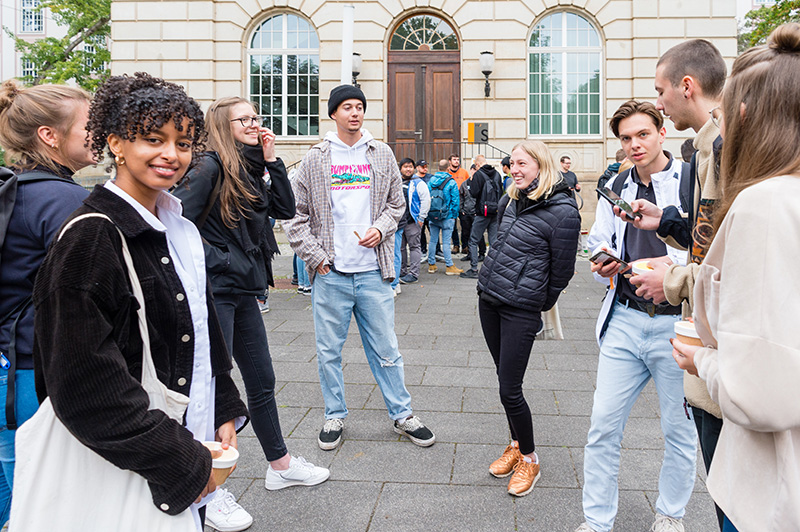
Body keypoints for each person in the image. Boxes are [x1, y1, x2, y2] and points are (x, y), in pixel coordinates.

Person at [25, 72, 249, 530]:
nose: (172, 155)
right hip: (128, 464)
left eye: (184, 143)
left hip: (182, 444)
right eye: (153, 139)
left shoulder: (178, 227)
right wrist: (179, 458)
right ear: (116, 144)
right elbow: (82, 381)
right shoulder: (90, 236)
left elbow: (199, 326)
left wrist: (223, 401)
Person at [174, 96, 328, 531]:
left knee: (262, 379)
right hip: (214, 290)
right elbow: (173, 220)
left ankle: (279, 465)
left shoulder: (251, 164)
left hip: (242, 290)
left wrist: (272, 159)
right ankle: (210, 489)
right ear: (223, 125)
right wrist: (219, 258)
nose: (253, 123)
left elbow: (283, 208)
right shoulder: (207, 166)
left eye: (256, 117)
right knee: (211, 390)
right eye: (244, 119)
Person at [671, 23, 800, 532]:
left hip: (773, 493)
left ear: (744, 115)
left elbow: (760, 393)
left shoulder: (766, 204)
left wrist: (701, 359)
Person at [284, 85, 435, 451]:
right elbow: (294, 216)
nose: (354, 113)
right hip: (330, 273)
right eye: (346, 107)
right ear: (333, 114)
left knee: (386, 348)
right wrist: (316, 258)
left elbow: (397, 205)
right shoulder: (316, 158)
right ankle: (334, 414)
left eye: (359, 107)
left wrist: (380, 229)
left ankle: (402, 414)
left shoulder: (380, 154)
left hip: (373, 272)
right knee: (328, 351)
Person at [615, 38, 727, 531]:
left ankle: (672, 514)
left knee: (731, 484)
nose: (658, 102)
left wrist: (674, 279)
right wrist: (668, 221)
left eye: (661, 92)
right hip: (699, 331)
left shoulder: (724, 147)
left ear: (687, 86)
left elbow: (735, 261)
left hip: (719, 339)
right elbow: (712, 235)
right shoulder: (707, 145)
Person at [575, 101, 696, 532]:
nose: (634, 145)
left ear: (662, 132)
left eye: (642, 134)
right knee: (602, 427)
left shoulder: (690, 180)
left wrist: (670, 267)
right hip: (625, 317)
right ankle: (596, 521)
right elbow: (597, 238)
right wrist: (600, 259)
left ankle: (670, 514)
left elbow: (703, 248)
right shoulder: (617, 184)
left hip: (676, 324)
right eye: (626, 138)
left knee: (680, 431)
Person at [0, 80, 95, 526]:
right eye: (88, 125)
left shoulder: (17, 189)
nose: (99, 133)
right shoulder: (66, 199)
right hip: (34, 375)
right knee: (42, 501)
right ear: (49, 135)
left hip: (8, 369)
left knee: (11, 496)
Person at [478, 140, 579, 497]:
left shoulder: (564, 211)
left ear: (541, 165)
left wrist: (536, 301)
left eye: (522, 164)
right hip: (489, 299)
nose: (515, 170)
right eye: (512, 164)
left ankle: (530, 460)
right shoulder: (512, 199)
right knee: (503, 380)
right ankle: (516, 444)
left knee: (510, 389)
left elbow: (562, 273)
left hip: (521, 308)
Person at [460, 155, 502, 279]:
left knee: (473, 240)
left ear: (477, 165)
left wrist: (473, 180)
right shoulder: (497, 174)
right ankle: (494, 269)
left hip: (482, 213)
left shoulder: (478, 175)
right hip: (495, 211)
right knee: (493, 241)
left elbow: (473, 193)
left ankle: (473, 269)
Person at [426, 160, 461, 276]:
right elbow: (455, 201)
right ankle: (449, 266)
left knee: (432, 241)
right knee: (446, 242)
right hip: (447, 216)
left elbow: (426, 197)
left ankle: (431, 265)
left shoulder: (431, 181)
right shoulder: (451, 182)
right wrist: (454, 215)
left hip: (433, 215)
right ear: (448, 168)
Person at [397, 157, 429, 284]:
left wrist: (421, 218)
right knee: (400, 248)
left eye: (410, 166)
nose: (408, 169)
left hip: (412, 221)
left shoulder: (418, 183)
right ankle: (402, 272)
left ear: (414, 168)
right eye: (405, 167)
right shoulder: (397, 181)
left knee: (415, 247)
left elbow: (426, 200)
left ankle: (414, 274)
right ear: (401, 169)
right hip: (399, 222)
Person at [447, 154, 470, 253]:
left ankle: (465, 246)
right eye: (454, 159)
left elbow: (469, 184)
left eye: (458, 159)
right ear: (450, 161)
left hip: (462, 202)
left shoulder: (464, 172)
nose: (456, 161)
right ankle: (456, 245)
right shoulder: (447, 173)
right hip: (451, 202)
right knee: (453, 226)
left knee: (465, 225)